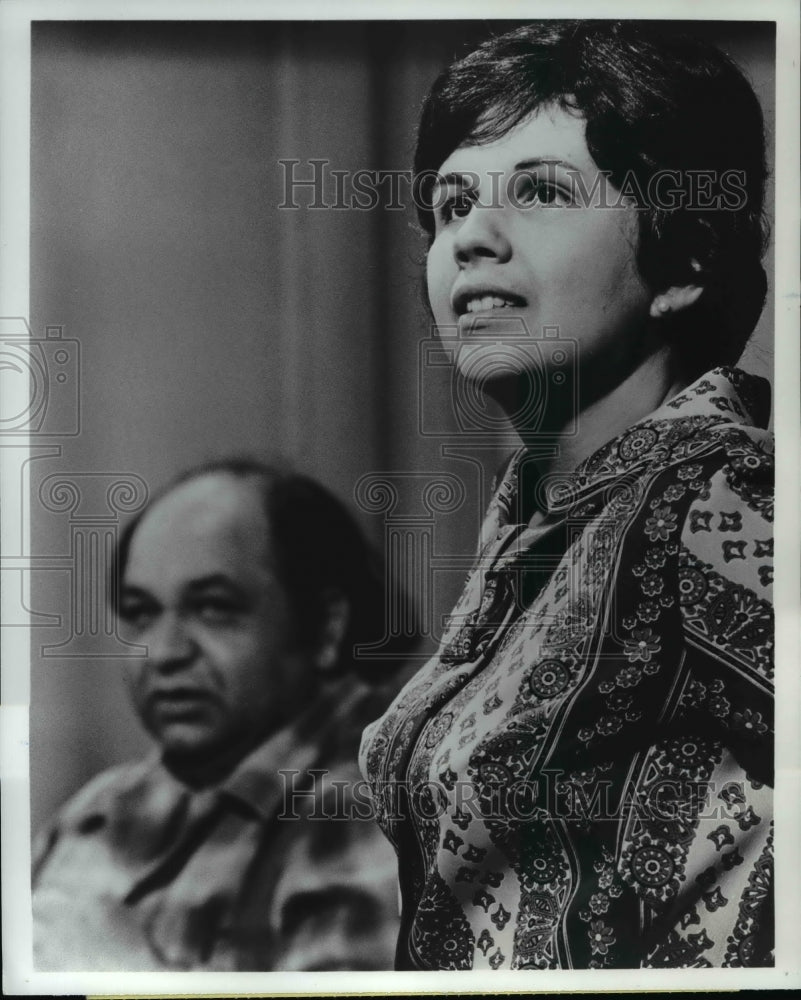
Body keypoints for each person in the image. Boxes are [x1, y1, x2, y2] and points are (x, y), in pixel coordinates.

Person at [361, 21, 773, 970]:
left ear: (683, 258)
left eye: (541, 193)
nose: (471, 237)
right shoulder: (534, 532)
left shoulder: (719, 492)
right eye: (450, 204)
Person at [33, 458, 404, 970]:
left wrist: (113, 970)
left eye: (213, 608)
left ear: (326, 628)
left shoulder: (368, 808)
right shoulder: (97, 812)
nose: (164, 653)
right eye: (140, 612)